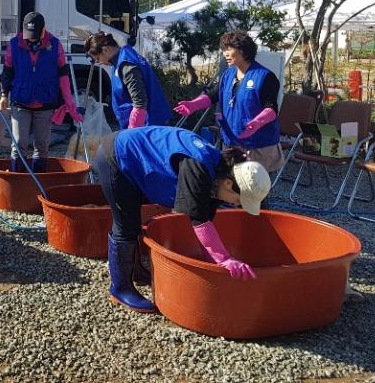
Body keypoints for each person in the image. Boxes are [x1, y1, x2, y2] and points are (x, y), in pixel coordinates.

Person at [97, 126, 271, 313]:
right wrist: (226, 259)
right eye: (239, 200)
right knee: (126, 225)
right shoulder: (198, 167)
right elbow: (198, 220)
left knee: (132, 217)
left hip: (136, 157)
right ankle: (120, 288)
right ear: (229, 184)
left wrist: (216, 266)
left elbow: (206, 221)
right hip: (116, 154)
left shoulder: (218, 174)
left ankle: (136, 271)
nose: (237, 206)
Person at [173, 30, 284, 174]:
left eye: (228, 49)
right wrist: (193, 104)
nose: (225, 53)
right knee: (229, 188)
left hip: (258, 146)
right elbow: (212, 95)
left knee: (254, 190)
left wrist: (256, 123)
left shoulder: (265, 76)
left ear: (243, 50)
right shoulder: (228, 74)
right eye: (223, 49)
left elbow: (271, 109)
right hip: (231, 144)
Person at [0, 12, 83, 172]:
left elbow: (63, 75)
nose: (31, 38)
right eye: (28, 34)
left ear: (44, 29)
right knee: (18, 142)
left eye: (35, 34)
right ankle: (17, 180)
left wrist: (69, 103)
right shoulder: (14, 44)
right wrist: (4, 94)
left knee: (42, 145)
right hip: (20, 101)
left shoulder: (55, 45)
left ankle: (38, 180)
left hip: (45, 102)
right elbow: (8, 71)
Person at [85, 32, 170, 130]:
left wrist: (131, 132)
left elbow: (140, 103)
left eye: (98, 58)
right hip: (142, 122)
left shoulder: (126, 65)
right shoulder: (121, 57)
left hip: (148, 124)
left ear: (105, 50)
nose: (99, 62)